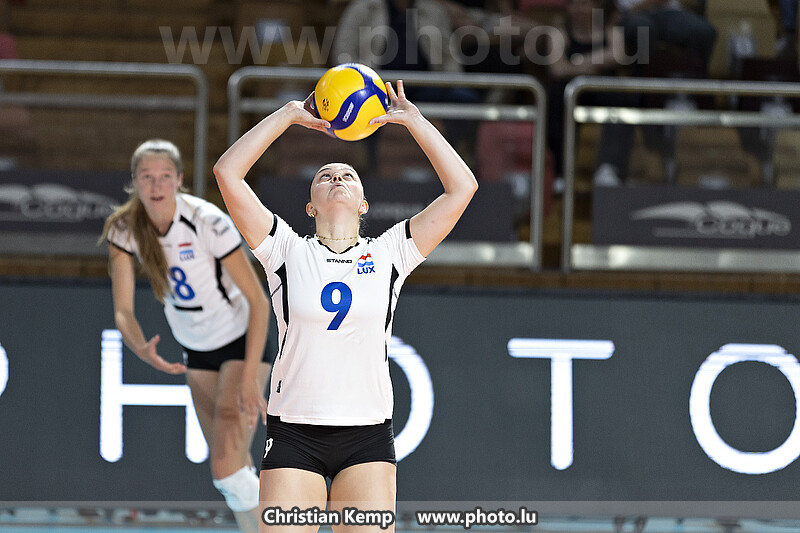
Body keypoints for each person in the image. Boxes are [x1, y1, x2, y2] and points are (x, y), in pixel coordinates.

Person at [213, 80, 477, 532]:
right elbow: (227, 173)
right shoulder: (285, 250)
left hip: (366, 436)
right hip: (294, 431)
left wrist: (414, 122)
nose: (336, 179)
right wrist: (289, 115)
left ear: (364, 204)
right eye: (325, 176)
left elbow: (462, 188)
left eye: (348, 176)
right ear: (310, 207)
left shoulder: (391, 252)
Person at [100, 139, 273, 533]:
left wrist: (250, 377)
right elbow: (123, 310)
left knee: (226, 469)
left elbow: (259, 302)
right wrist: (140, 348)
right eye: (147, 177)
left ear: (179, 179)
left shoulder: (206, 221)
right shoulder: (125, 229)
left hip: (240, 340)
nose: (156, 185)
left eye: (164, 176)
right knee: (233, 472)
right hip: (196, 348)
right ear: (134, 181)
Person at [546, 0, 635, 187]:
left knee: (622, 100)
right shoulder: (559, 33)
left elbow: (618, 55)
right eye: (574, 4)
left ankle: (609, 167)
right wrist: (594, 64)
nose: (579, 9)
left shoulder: (611, 31)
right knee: (557, 97)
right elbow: (557, 69)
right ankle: (560, 171)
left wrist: (577, 62)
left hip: (604, 91)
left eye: (585, 4)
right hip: (571, 92)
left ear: (597, 7)